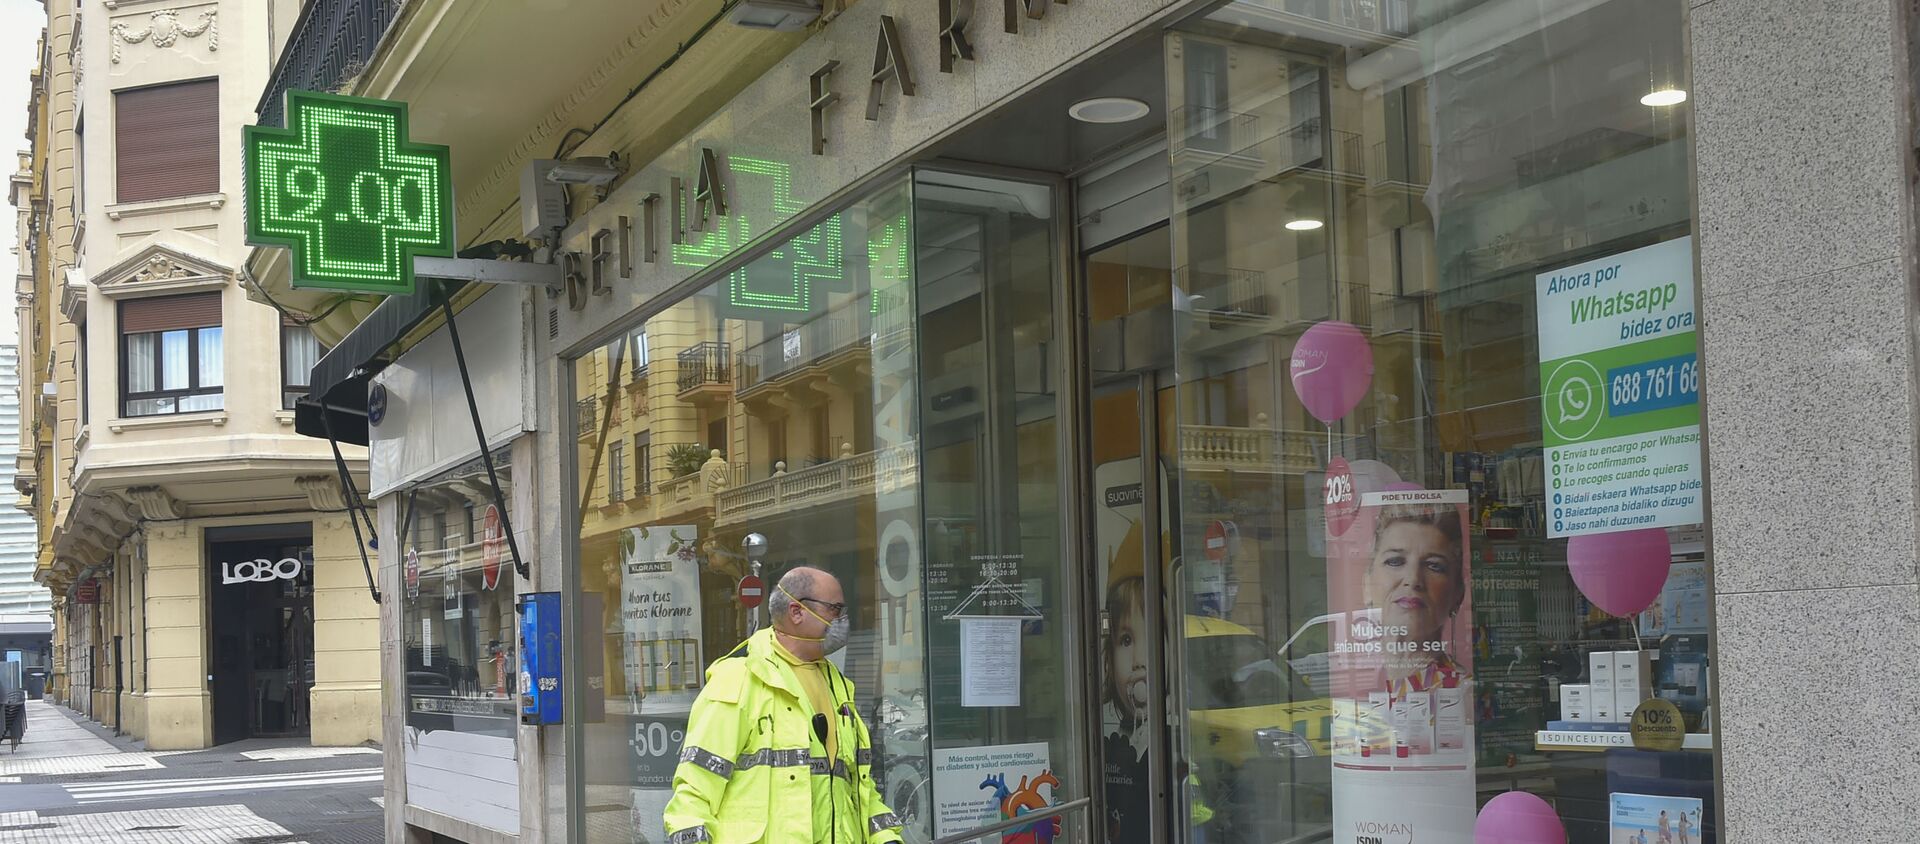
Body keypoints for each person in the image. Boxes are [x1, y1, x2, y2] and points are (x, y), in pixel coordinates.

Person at [665, 567, 902, 844]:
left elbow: (859, 788)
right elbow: (694, 791)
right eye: (834, 609)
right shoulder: (739, 680)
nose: (843, 619)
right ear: (797, 611)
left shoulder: (837, 684)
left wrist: (886, 838)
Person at [1361, 504, 1467, 699]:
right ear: (1366, 584)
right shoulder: (1354, 680)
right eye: (1395, 561)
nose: (1413, 579)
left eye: (1434, 566)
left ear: (1458, 594)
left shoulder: (1463, 692)